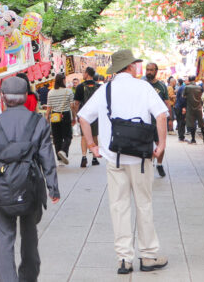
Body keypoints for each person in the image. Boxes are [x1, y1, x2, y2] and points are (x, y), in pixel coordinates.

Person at [78, 49, 169, 275]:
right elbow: (161, 115)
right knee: (144, 204)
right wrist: (162, 145)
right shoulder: (144, 87)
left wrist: (92, 146)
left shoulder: (104, 89)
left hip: (114, 156)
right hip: (140, 157)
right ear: (130, 67)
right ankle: (148, 255)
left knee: (119, 206)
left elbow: (83, 117)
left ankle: (124, 259)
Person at [0, 76, 60, 282]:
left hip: (3, 187)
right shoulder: (38, 122)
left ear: (3, 97)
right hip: (31, 186)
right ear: (26, 96)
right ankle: (28, 277)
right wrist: (53, 188)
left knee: (5, 238)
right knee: (29, 235)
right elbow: (47, 157)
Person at [73, 67, 102, 168]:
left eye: (83, 73)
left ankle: (84, 157)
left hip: (84, 115)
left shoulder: (80, 87)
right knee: (94, 136)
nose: (82, 75)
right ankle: (94, 158)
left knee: (84, 136)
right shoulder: (99, 86)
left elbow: (76, 103)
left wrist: (77, 114)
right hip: (95, 115)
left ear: (87, 74)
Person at [144, 63, 169, 177]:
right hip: (144, 121)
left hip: (158, 121)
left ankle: (159, 164)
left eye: (151, 70)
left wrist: (169, 118)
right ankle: (149, 165)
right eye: (147, 69)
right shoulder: (141, 84)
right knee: (146, 145)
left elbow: (166, 102)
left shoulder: (162, 86)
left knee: (160, 144)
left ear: (156, 71)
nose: (148, 72)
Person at [47, 73, 74, 165]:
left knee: (57, 137)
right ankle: (63, 151)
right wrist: (74, 116)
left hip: (54, 116)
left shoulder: (50, 92)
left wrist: (47, 117)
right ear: (63, 80)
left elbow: (49, 107)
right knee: (68, 136)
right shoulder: (68, 91)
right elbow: (72, 106)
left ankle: (59, 160)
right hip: (65, 114)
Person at [184, 76, 204, 143]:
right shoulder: (199, 87)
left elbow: (183, 96)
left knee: (192, 123)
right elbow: (201, 95)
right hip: (198, 107)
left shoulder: (187, 87)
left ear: (189, 80)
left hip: (190, 107)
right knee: (201, 123)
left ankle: (193, 139)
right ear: (195, 80)